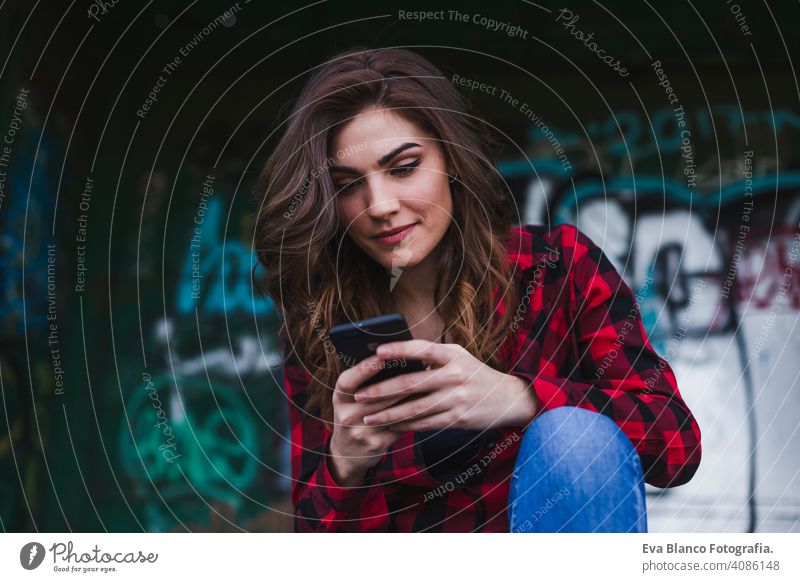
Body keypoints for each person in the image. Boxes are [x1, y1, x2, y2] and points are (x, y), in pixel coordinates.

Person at [253, 47, 701, 532]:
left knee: (573, 435)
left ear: (452, 159)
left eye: (403, 168)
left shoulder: (556, 267)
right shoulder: (324, 316)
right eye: (346, 185)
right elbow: (313, 537)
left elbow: (676, 443)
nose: (379, 205)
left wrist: (518, 398)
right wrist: (345, 463)